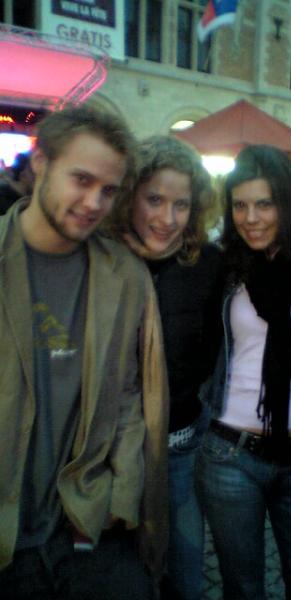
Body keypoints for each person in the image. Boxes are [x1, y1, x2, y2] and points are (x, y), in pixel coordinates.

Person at [0, 106, 168, 600]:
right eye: (81, 179)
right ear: (40, 162)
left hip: (86, 525)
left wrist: (121, 496)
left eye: (109, 190)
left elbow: (128, 395)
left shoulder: (125, 274)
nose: (94, 202)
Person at [196, 145, 291, 600]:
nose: (251, 218)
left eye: (264, 204)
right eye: (240, 205)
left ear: (288, 204)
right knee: (242, 589)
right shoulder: (227, 266)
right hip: (231, 454)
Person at [105, 135, 224, 600]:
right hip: (107, 452)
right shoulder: (100, 256)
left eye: (181, 205)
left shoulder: (207, 264)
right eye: (154, 200)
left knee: (186, 572)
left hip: (179, 445)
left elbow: (211, 349)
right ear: (130, 194)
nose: (167, 219)